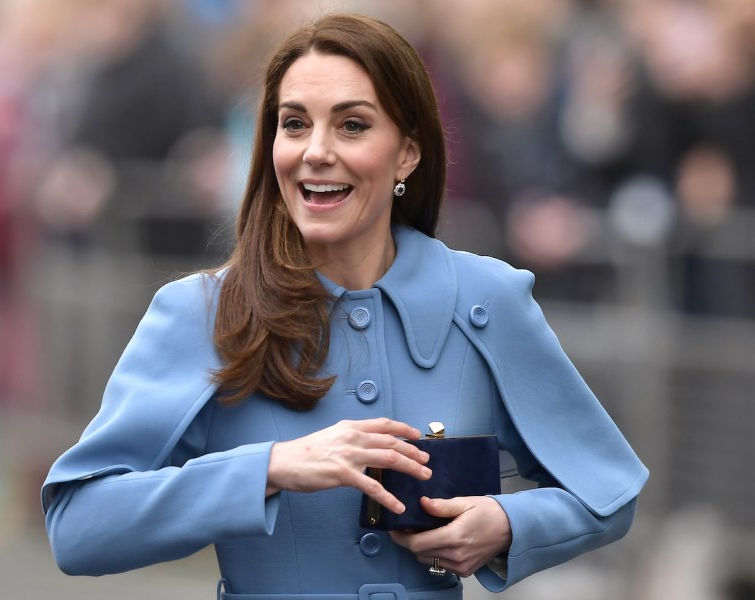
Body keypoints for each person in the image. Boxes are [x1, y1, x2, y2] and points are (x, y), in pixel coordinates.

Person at [41, 12, 648, 599]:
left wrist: (507, 525)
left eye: (352, 125)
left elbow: (608, 490)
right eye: (295, 124)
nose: (315, 151)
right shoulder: (200, 312)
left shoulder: (487, 300)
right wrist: (272, 468)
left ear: (407, 152)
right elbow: (79, 525)